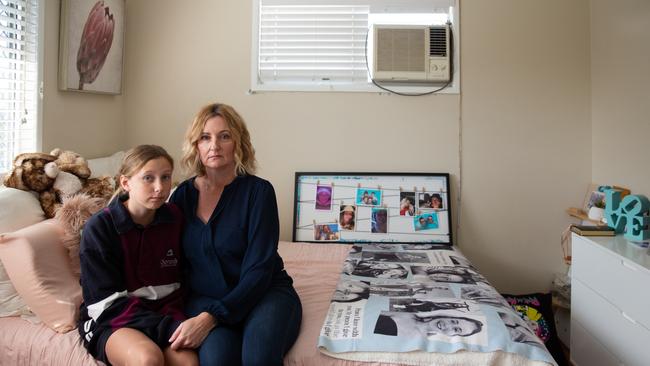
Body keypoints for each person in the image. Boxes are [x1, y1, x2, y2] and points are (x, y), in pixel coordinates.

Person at [168, 103, 302, 365]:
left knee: (257, 359)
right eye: (205, 137)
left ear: (238, 142)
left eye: (224, 136)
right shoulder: (181, 196)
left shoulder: (259, 192)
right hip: (206, 299)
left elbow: (259, 269)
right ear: (196, 145)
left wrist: (212, 317)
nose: (214, 145)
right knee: (217, 361)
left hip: (263, 294)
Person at [78, 145, 198, 366]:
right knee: (148, 358)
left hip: (165, 312)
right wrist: (167, 328)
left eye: (166, 177)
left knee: (188, 363)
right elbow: (104, 304)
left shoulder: (175, 217)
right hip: (113, 317)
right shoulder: (101, 227)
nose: (159, 187)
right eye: (148, 178)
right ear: (126, 183)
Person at [374, 312, 483, 338]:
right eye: (454, 321)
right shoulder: (408, 314)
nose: (448, 325)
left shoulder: (419, 340)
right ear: (448, 316)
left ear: (452, 336)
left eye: (456, 330)